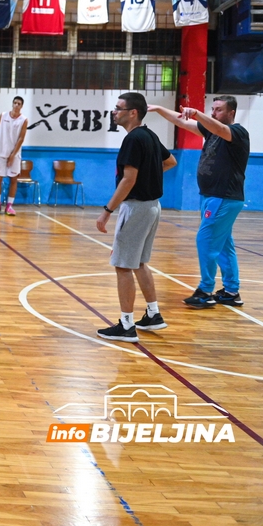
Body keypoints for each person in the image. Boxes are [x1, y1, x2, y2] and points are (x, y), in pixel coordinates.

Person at [151, 96, 250, 309]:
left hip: (224, 196)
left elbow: (219, 128)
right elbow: (181, 122)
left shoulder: (238, 133)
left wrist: (197, 113)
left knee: (205, 240)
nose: (214, 113)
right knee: (223, 244)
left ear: (231, 112)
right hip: (211, 196)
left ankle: (205, 290)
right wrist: (159, 108)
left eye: (219, 110)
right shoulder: (211, 131)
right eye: (212, 109)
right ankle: (231, 291)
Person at [96, 92, 177, 343]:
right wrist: (149, 175)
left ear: (133, 112)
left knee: (123, 265)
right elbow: (171, 161)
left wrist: (107, 212)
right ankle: (153, 314)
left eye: (119, 108)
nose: (114, 112)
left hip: (138, 208)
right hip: (153, 206)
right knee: (139, 262)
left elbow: (128, 180)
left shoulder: (133, 139)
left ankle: (126, 324)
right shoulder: (150, 135)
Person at [0, 96, 28, 215]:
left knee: (13, 179)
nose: (16, 105)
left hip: (14, 154)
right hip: (1, 152)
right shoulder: (3, 115)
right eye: (15, 103)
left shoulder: (24, 120)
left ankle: (9, 206)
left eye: (19, 104)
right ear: (12, 104)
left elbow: (21, 138)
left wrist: (12, 155)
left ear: (21, 106)